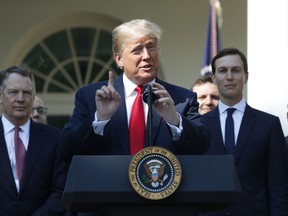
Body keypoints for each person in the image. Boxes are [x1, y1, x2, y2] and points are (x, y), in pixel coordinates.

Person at [59, 19, 210, 215]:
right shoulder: (91, 96)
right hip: (105, 207)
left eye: (151, 47)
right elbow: (67, 150)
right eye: (137, 50)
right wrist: (99, 118)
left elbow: (203, 146)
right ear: (119, 58)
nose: (147, 56)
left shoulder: (181, 99)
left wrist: (174, 120)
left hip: (167, 208)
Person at [198, 47, 288, 215]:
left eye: (236, 70)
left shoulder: (268, 125)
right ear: (214, 78)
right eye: (223, 71)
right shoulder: (199, 125)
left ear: (246, 76)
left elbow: (278, 186)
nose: (230, 76)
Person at [0, 66, 67, 215]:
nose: (20, 99)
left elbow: (61, 190)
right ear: (0, 96)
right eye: (13, 92)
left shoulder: (54, 138)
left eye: (27, 93)